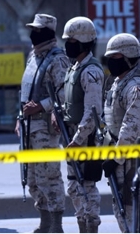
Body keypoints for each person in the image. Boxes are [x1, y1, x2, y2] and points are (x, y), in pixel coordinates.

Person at [14, 13, 71, 233]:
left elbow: (64, 94)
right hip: (28, 126)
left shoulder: (58, 59)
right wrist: (21, 118)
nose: (33, 34)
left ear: (47, 33)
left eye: (38, 31)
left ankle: (56, 225)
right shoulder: (33, 56)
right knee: (31, 178)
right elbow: (26, 90)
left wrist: (41, 106)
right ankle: (44, 221)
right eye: (33, 30)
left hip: (45, 128)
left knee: (49, 176)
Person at [102, 33, 140, 232]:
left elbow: (131, 127)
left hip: (129, 161)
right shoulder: (117, 83)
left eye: (114, 58)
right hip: (118, 159)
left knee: (132, 214)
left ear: (128, 58)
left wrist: (116, 158)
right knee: (121, 211)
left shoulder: (136, 88)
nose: (109, 62)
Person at [60, 16, 104, 233]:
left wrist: (78, 140)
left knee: (87, 186)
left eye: (71, 41)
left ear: (83, 42)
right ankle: (81, 225)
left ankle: (90, 227)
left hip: (85, 139)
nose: (67, 45)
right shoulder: (74, 68)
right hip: (72, 137)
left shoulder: (91, 71)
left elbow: (92, 113)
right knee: (74, 186)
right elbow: (69, 100)